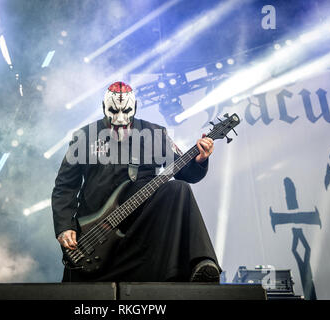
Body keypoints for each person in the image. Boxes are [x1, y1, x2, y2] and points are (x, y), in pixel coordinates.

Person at [52, 81, 221, 282]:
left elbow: (188, 174)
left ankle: (202, 263)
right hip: (96, 234)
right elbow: (65, 187)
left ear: (136, 107)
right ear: (104, 107)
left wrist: (200, 159)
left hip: (142, 228)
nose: (120, 118)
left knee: (179, 188)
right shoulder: (84, 136)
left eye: (126, 111)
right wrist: (65, 226)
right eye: (114, 111)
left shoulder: (156, 134)